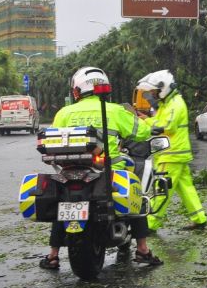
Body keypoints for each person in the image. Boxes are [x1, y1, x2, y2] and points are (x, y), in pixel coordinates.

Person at [39, 66, 163, 270]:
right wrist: (150, 125)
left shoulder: (64, 112)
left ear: (77, 90)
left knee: (64, 203)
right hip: (110, 168)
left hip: (70, 169)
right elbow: (141, 132)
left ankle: (53, 255)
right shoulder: (114, 110)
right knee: (138, 195)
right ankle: (142, 249)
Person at [136, 69, 207, 231]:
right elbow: (160, 121)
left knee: (161, 190)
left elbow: (167, 126)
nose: (152, 94)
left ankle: (150, 223)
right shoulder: (168, 103)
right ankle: (200, 218)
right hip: (176, 154)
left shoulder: (175, 104)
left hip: (171, 154)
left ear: (164, 88)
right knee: (186, 188)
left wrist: (146, 122)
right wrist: (147, 119)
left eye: (155, 91)